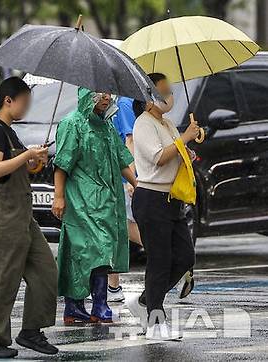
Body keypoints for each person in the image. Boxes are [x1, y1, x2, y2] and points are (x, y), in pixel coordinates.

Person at [0, 76, 59, 359]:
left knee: (46, 271)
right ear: (8, 100)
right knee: (3, 281)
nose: (27, 107)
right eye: (24, 101)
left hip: (22, 216)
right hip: (2, 216)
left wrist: (33, 161)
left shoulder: (9, 132)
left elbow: (13, 169)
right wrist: (27, 156)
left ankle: (32, 331)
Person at [52, 88, 137, 326]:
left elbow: (121, 159)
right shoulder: (72, 124)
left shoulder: (107, 125)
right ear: (86, 95)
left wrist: (136, 184)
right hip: (80, 198)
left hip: (106, 199)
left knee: (103, 249)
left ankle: (93, 305)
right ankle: (82, 305)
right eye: (100, 93)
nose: (107, 98)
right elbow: (62, 163)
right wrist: (58, 196)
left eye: (109, 93)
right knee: (84, 251)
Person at [126, 73, 198, 340]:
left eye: (169, 90)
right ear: (147, 100)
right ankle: (156, 322)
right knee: (159, 260)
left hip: (171, 199)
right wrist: (185, 139)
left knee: (184, 257)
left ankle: (145, 300)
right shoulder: (143, 123)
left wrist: (186, 152)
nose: (170, 96)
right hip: (151, 198)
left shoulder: (166, 123)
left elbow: (173, 154)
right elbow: (157, 158)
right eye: (163, 91)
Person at [107, 96, 144, 303]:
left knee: (125, 227)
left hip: (124, 178)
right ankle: (113, 287)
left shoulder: (122, 104)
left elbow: (131, 140)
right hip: (118, 177)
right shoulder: (122, 102)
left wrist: (131, 177)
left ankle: (169, 256)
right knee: (118, 229)